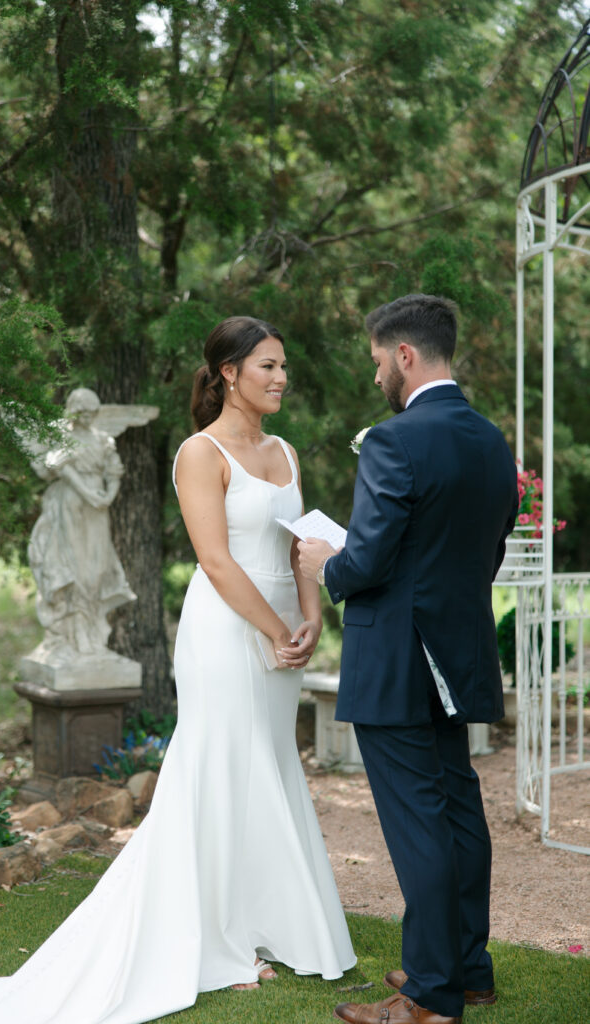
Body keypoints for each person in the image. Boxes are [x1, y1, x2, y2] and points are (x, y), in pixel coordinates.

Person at [0, 316, 355, 1024]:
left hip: (283, 632)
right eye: (267, 366)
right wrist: (274, 631)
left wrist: (309, 619)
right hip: (226, 632)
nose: (280, 378)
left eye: (282, 366)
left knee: (267, 765)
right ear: (229, 373)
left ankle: (265, 921)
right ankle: (211, 936)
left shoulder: (285, 452)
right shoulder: (199, 453)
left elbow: (301, 545)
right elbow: (215, 560)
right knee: (219, 766)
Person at [299, 294, 519, 1024]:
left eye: (376, 363)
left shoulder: (394, 441)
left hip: (394, 658)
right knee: (457, 808)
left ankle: (428, 994)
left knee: (419, 822)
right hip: (458, 652)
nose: (375, 379)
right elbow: (485, 553)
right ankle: (467, 969)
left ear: (404, 355)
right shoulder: (492, 441)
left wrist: (326, 564)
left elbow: (366, 561)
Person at [28, 387, 135, 662]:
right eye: (82, 413)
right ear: (74, 412)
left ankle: (93, 628)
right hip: (73, 501)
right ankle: (76, 632)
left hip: (98, 507)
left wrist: (108, 497)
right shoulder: (63, 436)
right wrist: (89, 494)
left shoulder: (102, 439)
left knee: (97, 566)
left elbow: (114, 471)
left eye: (91, 413)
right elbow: (61, 469)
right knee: (74, 565)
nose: (87, 418)